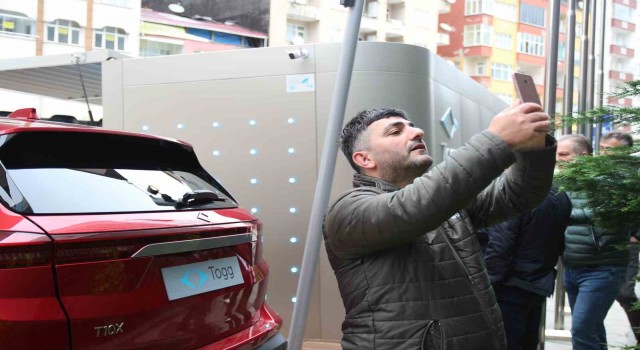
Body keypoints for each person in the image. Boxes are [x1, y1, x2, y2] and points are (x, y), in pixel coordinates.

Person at [323, 103, 555, 350]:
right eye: (395, 131)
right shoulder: (347, 211)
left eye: (412, 126)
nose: (417, 132)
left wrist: (533, 149)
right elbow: (412, 207)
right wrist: (496, 140)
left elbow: (519, 195)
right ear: (364, 158)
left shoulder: (445, 204)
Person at [557, 134, 631, 350]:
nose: (558, 160)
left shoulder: (609, 181)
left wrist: (561, 213)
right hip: (572, 267)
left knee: (581, 329)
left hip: (603, 269)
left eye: (564, 155)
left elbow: (600, 213)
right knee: (592, 328)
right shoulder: (561, 181)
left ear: (584, 156)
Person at [481, 185, 571, 350]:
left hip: (509, 286)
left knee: (507, 342)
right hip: (538, 283)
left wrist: (487, 286)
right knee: (528, 341)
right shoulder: (559, 195)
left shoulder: (512, 195)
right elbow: (559, 245)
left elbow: (501, 246)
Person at [600, 131, 640, 344]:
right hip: (600, 242)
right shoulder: (595, 174)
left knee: (624, 292)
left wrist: (635, 236)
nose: (604, 153)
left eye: (610, 149)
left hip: (627, 242)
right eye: (602, 148)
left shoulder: (635, 175)